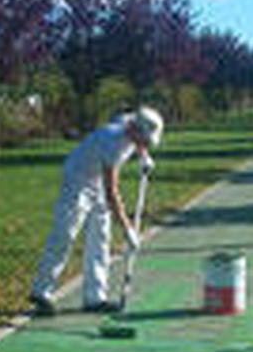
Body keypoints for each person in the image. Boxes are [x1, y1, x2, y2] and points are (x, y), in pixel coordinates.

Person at [28, 107, 163, 316]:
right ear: (135, 130)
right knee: (65, 234)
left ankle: (95, 298)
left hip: (96, 179)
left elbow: (135, 137)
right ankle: (41, 291)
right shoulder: (113, 142)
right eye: (143, 140)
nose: (144, 143)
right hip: (78, 180)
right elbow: (112, 193)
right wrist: (128, 230)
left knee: (100, 238)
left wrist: (144, 156)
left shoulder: (130, 124)